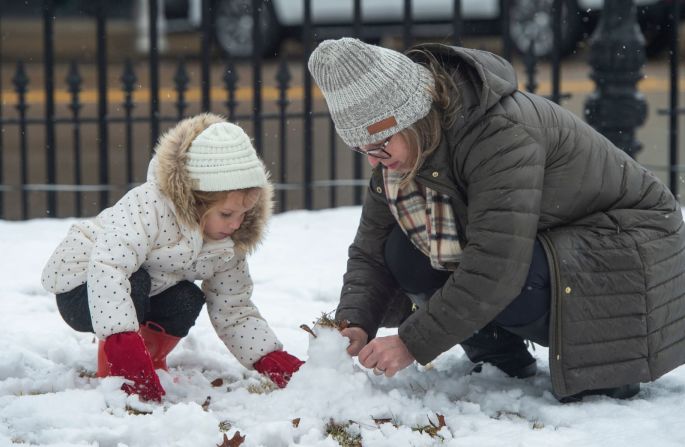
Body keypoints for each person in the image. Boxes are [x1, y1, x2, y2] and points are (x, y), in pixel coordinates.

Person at [307, 37, 685, 402]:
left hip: (627, 247)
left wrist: (411, 342)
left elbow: (496, 266)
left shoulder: (499, 133)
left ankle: (607, 369)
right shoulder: (404, 149)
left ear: (412, 117)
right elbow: (371, 251)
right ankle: (500, 360)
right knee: (403, 251)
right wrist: (354, 323)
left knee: (512, 277)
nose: (373, 160)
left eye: (379, 145)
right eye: (361, 149)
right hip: (555, 240)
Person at [41, 113, 303, 401]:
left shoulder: (226, 244)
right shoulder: (148, 206)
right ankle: (120, 366)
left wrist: (271, 358)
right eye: (227, 214)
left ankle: (150, 359)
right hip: (82, 285)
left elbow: (234, 307)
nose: (235, 224)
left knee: (186, 298)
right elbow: (109, 267)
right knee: (134, 280)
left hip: (138, 285)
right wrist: (123, 347)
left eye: (244, 214)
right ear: (195, 201)